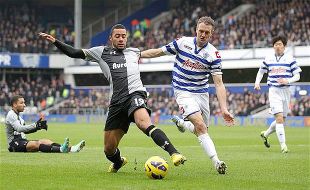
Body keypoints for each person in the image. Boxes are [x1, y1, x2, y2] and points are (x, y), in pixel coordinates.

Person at [39, 24, 186, 173]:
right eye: (118, 36)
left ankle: (174, 153)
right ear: (111, 38)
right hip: (116, 102)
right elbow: (75, 53)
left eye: (124, 36)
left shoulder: (134, 52)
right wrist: (55, 41)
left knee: (144, 123)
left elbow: (155, 52)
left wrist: (175, 47)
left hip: (135, 95)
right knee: (109, 149)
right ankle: (119, 162)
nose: (121, 39)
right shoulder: (101, 52)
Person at [140, 16, 234, 174]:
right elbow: (159, 52)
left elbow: (219, 83)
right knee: (201, 126)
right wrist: (139, 54)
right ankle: (217, 162)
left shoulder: (214, 55)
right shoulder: (182, 43)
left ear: (211, 35)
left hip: (201, 93)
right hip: (183, 91)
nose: (203, 35)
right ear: (196, 30)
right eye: (201, 31)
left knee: (201, 130)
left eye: (207, 33)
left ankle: (183, 124)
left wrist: (224, 108)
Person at [254, 35, 302, 153]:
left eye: (280, 44)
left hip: (286, 91)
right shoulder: (268, 58)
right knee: (279, 118)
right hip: (274, 90)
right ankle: (283, 146)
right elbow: (261, 72)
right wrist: (257, 83)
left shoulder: (290, 59)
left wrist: (288, 80)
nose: (278, 46)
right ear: (273, 46)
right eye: (276, 44)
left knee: (282, 119)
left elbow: (297, 75)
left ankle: (265, 134)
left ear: (284, 46)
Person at [5, 95, 86, 153]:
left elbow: (25, 131)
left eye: (24, 103)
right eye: (21, 103)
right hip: (14, 144)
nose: (24, 105)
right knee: (37, 144)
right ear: (15, 104)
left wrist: (37, 128)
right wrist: (36, 125)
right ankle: (61, 150)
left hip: (22, 141)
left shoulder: (20, 118)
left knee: (45, 141)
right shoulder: (11, 114)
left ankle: (71, 149)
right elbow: (19, 128)